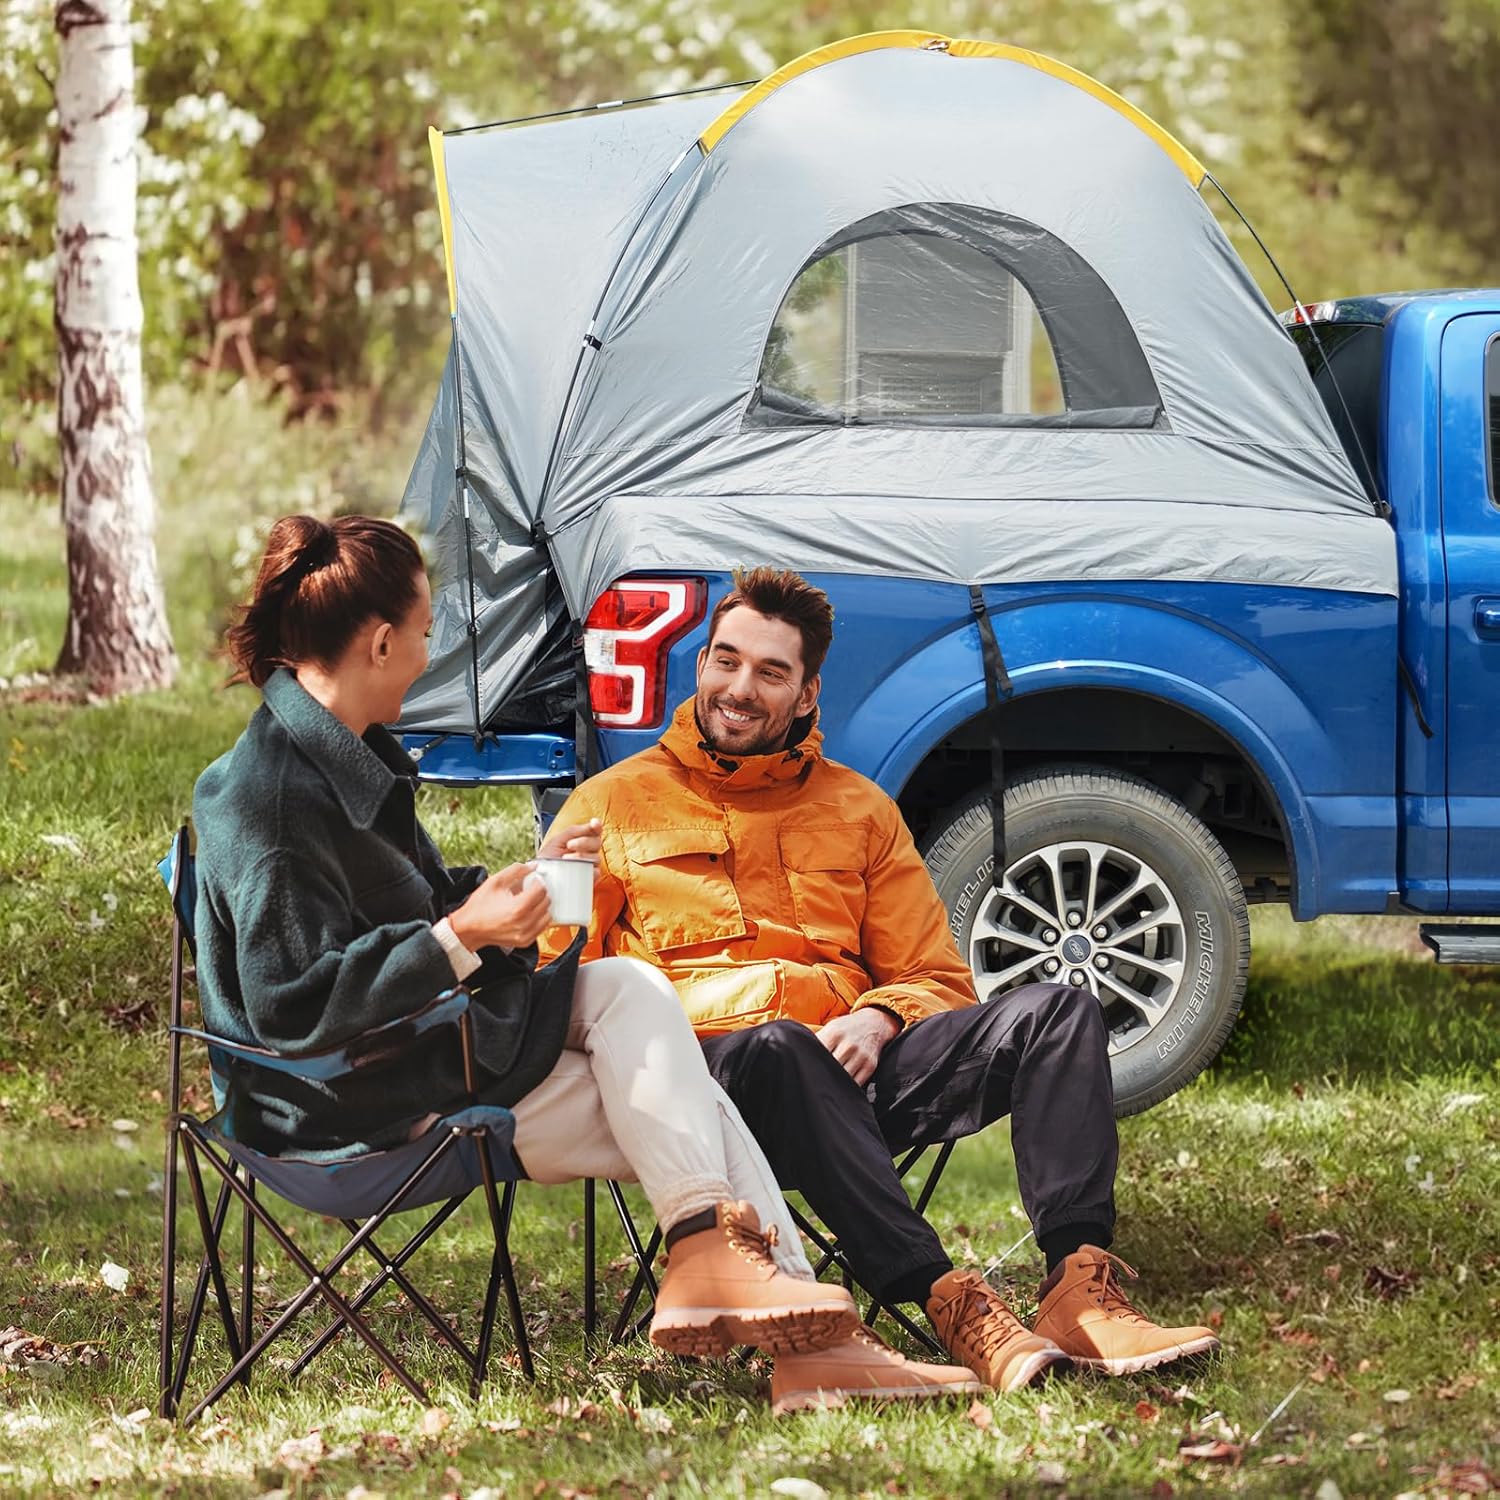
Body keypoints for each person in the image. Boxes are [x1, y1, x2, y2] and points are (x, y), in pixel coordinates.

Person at [191, 516, 886, 1373]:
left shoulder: (347, 758)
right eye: (422, 629)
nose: (428, 647)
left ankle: (722, 1270)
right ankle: (818, 1349)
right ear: (378, 644)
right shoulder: (275, 797)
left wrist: (518, 890)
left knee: (633, 995)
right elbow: (293, 1008)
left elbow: (411, 912)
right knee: (679, 1097)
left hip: (414, 1048)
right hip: (341, 1107)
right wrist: (460, 935)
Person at [541, 566, 1221, 1402]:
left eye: (770, 672)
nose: (740, 689)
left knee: (1059, 1010)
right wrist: (547, 895)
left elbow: (936, 974)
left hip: (855, 1073)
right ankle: (947, 1298)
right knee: (781, 1046)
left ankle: (1079, 1291)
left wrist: (880, 1016)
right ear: (700, 666)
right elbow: (555, 984)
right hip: (716, 1092)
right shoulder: (612, 804)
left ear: (806, 692)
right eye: (726, 661)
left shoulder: (859, 809)